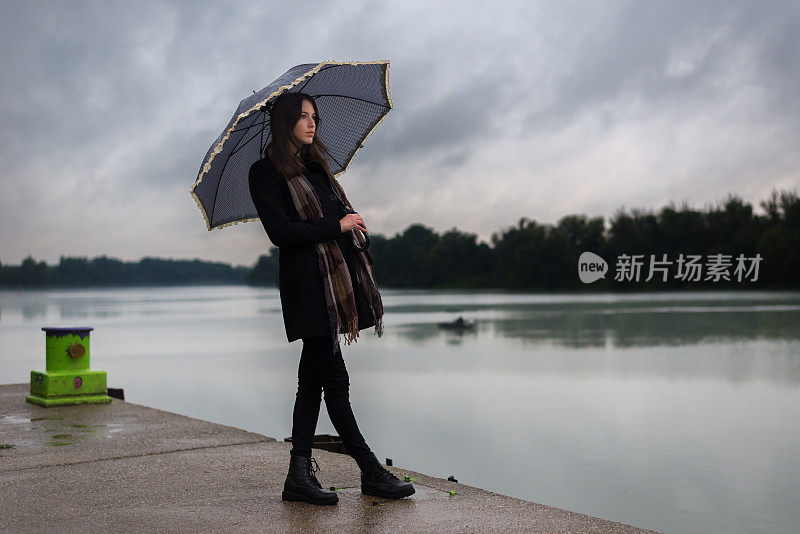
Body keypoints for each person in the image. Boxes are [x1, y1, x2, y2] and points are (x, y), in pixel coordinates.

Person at [248, 91, 414, 506]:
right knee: (334, 384)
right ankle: (368, 470)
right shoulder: (264, 172)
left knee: (315, 384)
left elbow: (335, 221)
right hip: (308, 289)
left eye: (315, 117)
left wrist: (350, 224)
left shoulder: (317, 168)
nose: (312, 123)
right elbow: (281, 233)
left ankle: (300, 474)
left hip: (333, 288)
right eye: (303, 117)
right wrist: (335, 224)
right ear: (285, 121)